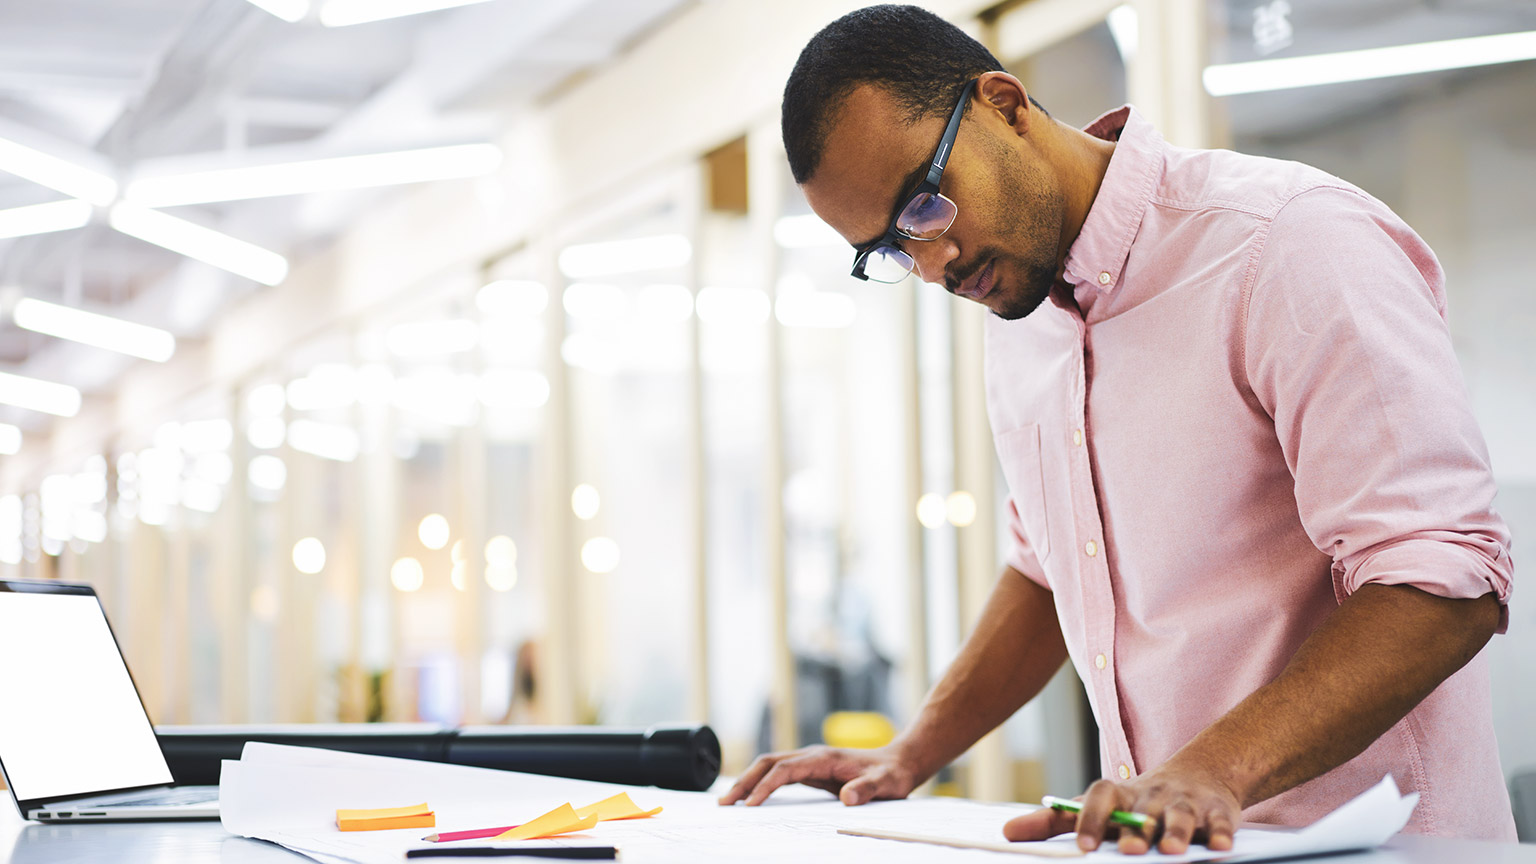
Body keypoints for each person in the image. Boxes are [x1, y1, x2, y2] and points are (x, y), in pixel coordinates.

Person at [718, 4, 1516, 854]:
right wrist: (913, 753)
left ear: (1004, 104)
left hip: (1382, 846)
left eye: (924, 203)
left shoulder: (1285, 243)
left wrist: (1214, 771)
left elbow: (1442, 577)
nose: (931, 265)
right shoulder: (1020, 317)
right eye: (888, 250)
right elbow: (1047, 571)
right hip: (1167, 839)